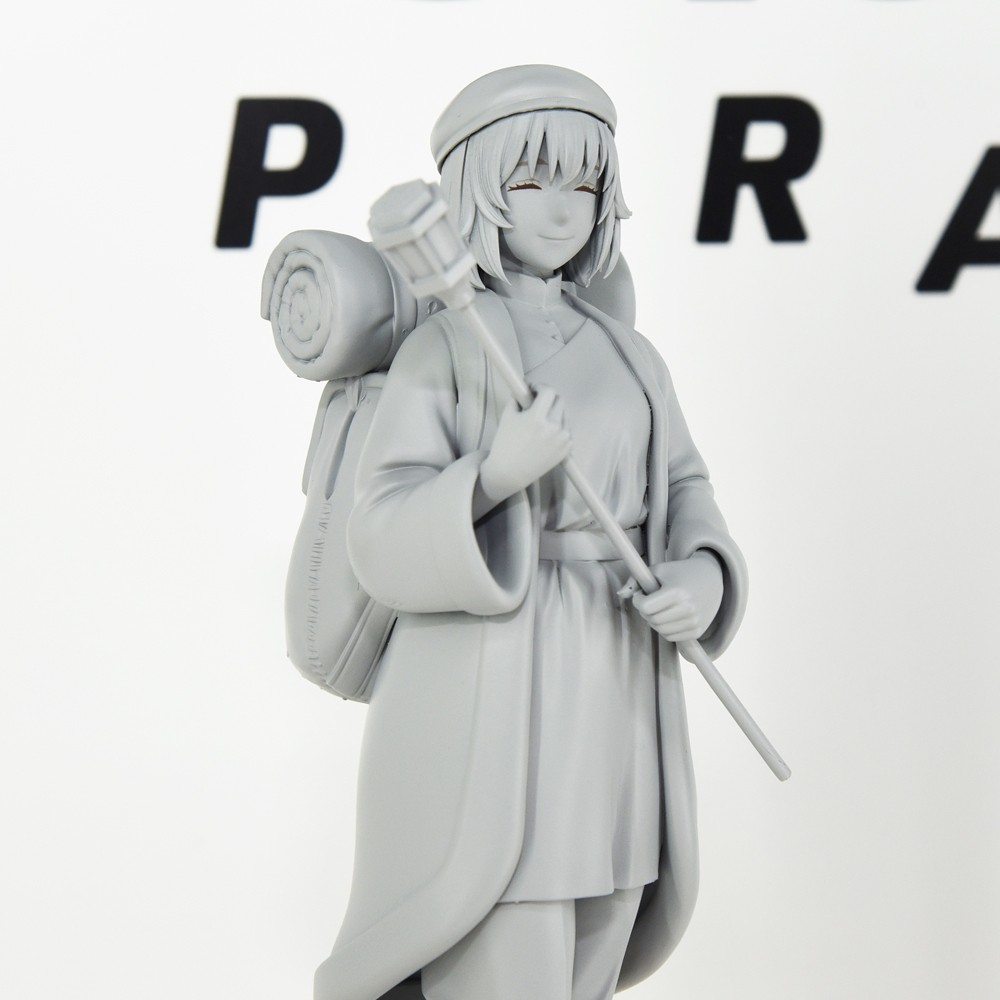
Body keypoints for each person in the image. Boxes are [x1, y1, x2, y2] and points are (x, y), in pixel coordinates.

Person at [315, 65, 749, 1000]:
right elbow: (379, 532)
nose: (562, 208)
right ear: (478, 191)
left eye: (585, 184)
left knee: (607, 911)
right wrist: (492, 476)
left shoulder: (633, 356)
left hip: (618, 691)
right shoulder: (446, 347)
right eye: (530, 179)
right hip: (492, 692)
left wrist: (700, 580)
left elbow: (686, 487)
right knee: (505, 921)